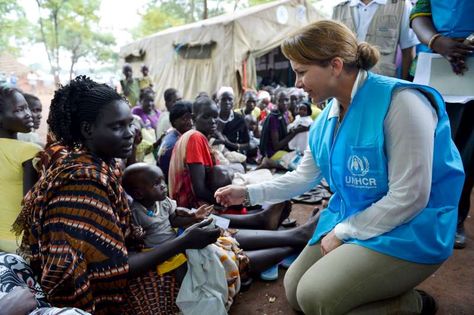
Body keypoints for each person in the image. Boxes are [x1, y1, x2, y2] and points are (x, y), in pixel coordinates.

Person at [215, 20, 464, 314]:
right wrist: (245, 193)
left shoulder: (402, 103)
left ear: (334, 65)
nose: (297, 83)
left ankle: (414, 304)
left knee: (316, 298)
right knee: (294, 291)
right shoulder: (328, 118)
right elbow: (303, 177)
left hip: (410, 228)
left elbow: (410, 197)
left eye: (302, 72)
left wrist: (344, 231)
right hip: (357, 219)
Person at [13, 76, 222, 315]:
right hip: (86, 297)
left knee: (206, 258)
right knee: (194, 276)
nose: (130, 133)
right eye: (117, 127)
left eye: (130, 124)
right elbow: (112, 269)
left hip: (118, 267)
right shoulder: (82, 184)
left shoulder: (100, 165)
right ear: (87, 130)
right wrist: (184, 241)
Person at [410, 0, 474, 249]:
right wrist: (439, 42)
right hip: (437, 68)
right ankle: (421, 215)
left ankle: (455, 217)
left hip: (470, 70)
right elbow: (419, 15)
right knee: (428, 148)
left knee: (468, 154)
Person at [333, 0, 419, 80]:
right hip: (343, 84)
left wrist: (403, 87)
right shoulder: (340, 8)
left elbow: (408, 53)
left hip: (381, 84)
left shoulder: (401, 5)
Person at [0, 87, 40, 253]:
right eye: (20, 110)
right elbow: (30, 205)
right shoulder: (30, 151)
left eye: (27, 108)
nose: (29, 114)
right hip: (16, 242)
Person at [259, 89, 307, 160]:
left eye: (286, 100)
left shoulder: (286, 114)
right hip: (273, 153)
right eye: (280, 101)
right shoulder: (273, 117)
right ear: (275, 102)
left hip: (283, 149)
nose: (284, 103)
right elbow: (276, 146)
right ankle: (268, 163)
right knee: (299, 162)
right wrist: (295, 132)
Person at [157, 100, 193, 180]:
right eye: (185, 118)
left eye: (192, 118)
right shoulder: (175, 143)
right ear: (174, 121)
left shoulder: (173, 134)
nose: (190, 122)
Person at [214, 86, 250, 154]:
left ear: (233, 101)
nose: (227, 102)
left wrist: (230, 144)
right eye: (223, 99)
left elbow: (247, 144)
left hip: (233, 154)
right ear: (217, 101)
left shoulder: (239, 119)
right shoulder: (213, 118)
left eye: (230, 99)